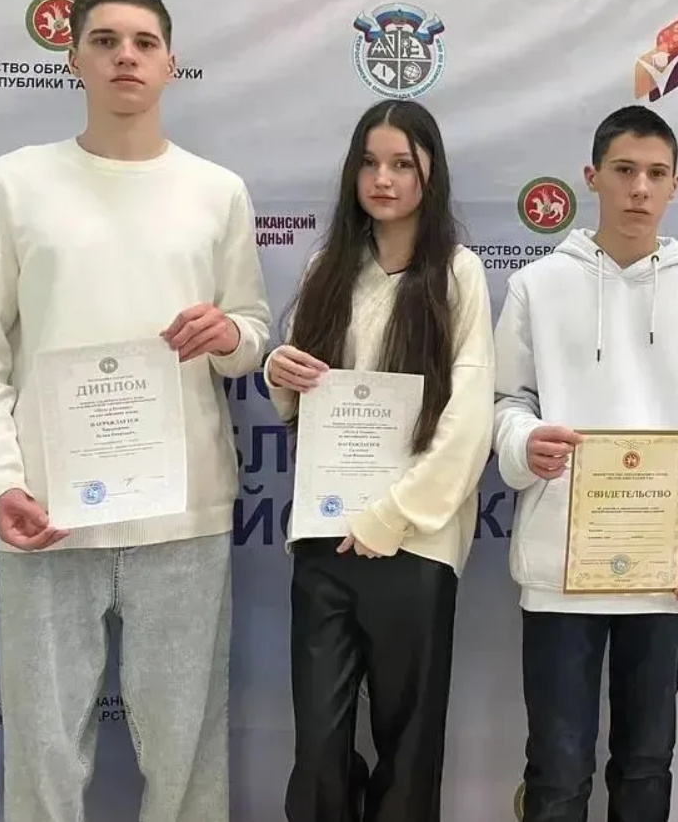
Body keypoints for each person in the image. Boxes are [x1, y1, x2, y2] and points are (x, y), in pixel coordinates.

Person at [0, 0, 269, 822]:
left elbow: (253, 336)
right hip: (48, 514)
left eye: (145, 42)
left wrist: (228, 333)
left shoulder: (217, 191)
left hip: (183, 516)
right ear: (73, 57)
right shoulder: (14, 184)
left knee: (187, 754)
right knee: (44, 756)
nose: (127, 56)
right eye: (106, 40)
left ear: (170, 63)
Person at [491, 105, 678, 822]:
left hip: (663, 570)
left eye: (656, 174)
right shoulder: (537, 286)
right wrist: (524, 442)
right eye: (624, 171)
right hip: (561, 571)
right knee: (557, 771)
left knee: (645, 766)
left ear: (675, 185)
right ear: (592, 177)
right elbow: (505, 400)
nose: (639, 188)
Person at [265, 99, 493, 821]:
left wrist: (393, 516)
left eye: (401, 164)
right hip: (326, 536)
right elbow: (301, 398)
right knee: (319, 745)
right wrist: (280, 372)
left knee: (409, 743)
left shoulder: (457, 273)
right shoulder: (327, 268)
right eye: (369, 163)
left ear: (431, 173)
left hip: (415, 541)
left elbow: (469, 418)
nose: (383, 179)